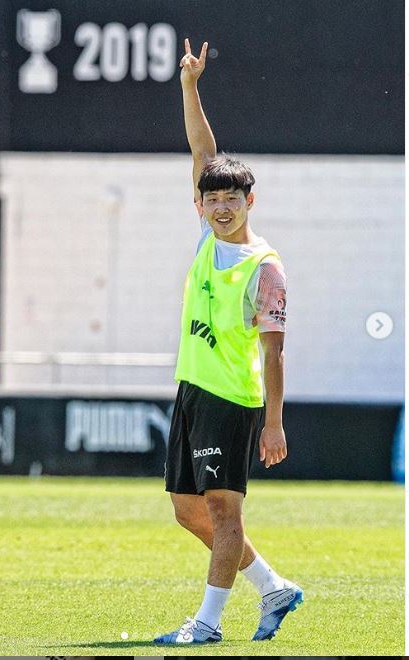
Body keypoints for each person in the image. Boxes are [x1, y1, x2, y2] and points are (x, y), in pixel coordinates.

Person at [153, 38, 303, 645]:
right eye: (211, 198)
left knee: (223, 511)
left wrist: (274, 423)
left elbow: (274, 352)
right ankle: (274, 587)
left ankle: (208, 624)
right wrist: (189, 86)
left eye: (230, 198)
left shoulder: (265, 267)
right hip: (192, 390)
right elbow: (202, 151)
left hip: (232, 399)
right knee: (188, 511)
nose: (220, 206)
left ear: (249, 202)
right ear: (200, 203)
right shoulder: (207, 241)